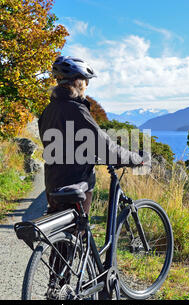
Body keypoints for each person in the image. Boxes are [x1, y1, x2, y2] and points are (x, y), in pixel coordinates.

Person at [38, 56, 144, 215]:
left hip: (53, 182)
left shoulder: (48, 111)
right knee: (78, 234)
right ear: (79, 82)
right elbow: (105, 147)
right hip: (76, 184)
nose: (87, 86)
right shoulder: (76, 110)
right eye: (86, 81)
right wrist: (135, 158)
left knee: (63, 234)